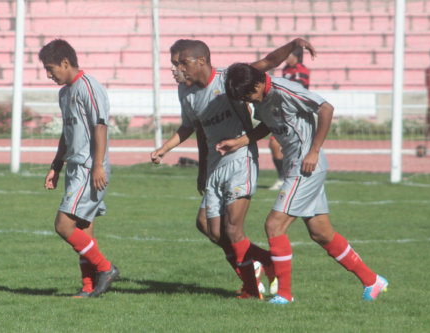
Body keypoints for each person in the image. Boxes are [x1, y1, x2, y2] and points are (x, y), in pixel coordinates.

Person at [151, 38, 316, 299]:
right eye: (174, 64)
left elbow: (268, 63)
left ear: (201, 61)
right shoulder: (185, 91)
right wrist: (171, 152)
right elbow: (193, 128)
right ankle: (263, 261)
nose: (177, 69)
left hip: (240, 159)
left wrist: (293, 44)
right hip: (216, 163)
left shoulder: (229, 79)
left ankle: (251, 288)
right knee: (208, 227)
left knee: (231, 230)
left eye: (182, 63)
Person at [218, 63, 388, 305]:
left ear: (257, 84)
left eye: (249, 96)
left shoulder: (286, 90)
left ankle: (284, 295)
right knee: (321, 232)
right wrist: (241, 141)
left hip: (306, 166)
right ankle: (372, 281)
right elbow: (269, 124)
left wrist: (314, 150)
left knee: (274, 225)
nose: (250, 101)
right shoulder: (262, 97)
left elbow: (326, 108)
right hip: (295, 166)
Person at [39, 39, 119, 298]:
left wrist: (97, 166)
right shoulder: (64, 93)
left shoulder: (89, 87)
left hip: (88, 167)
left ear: (66, 62)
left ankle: (106, 269)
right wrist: (56, 165)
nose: (49, 75)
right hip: (75, 167)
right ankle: (89, 288)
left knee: (63, 225)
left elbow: (101, 126)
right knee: (84, 230)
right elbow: (67, 133)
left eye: (51, 69)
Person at [268, 47, 312, 191]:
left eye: (289, 55)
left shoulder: (302, 71)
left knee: (294, 148)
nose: (286, 58)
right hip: (282, 114)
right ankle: (283, 177)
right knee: (274, 144)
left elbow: (297, 92)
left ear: (296, 56)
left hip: (296, 115)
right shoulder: (286, 69)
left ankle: (297, 178)